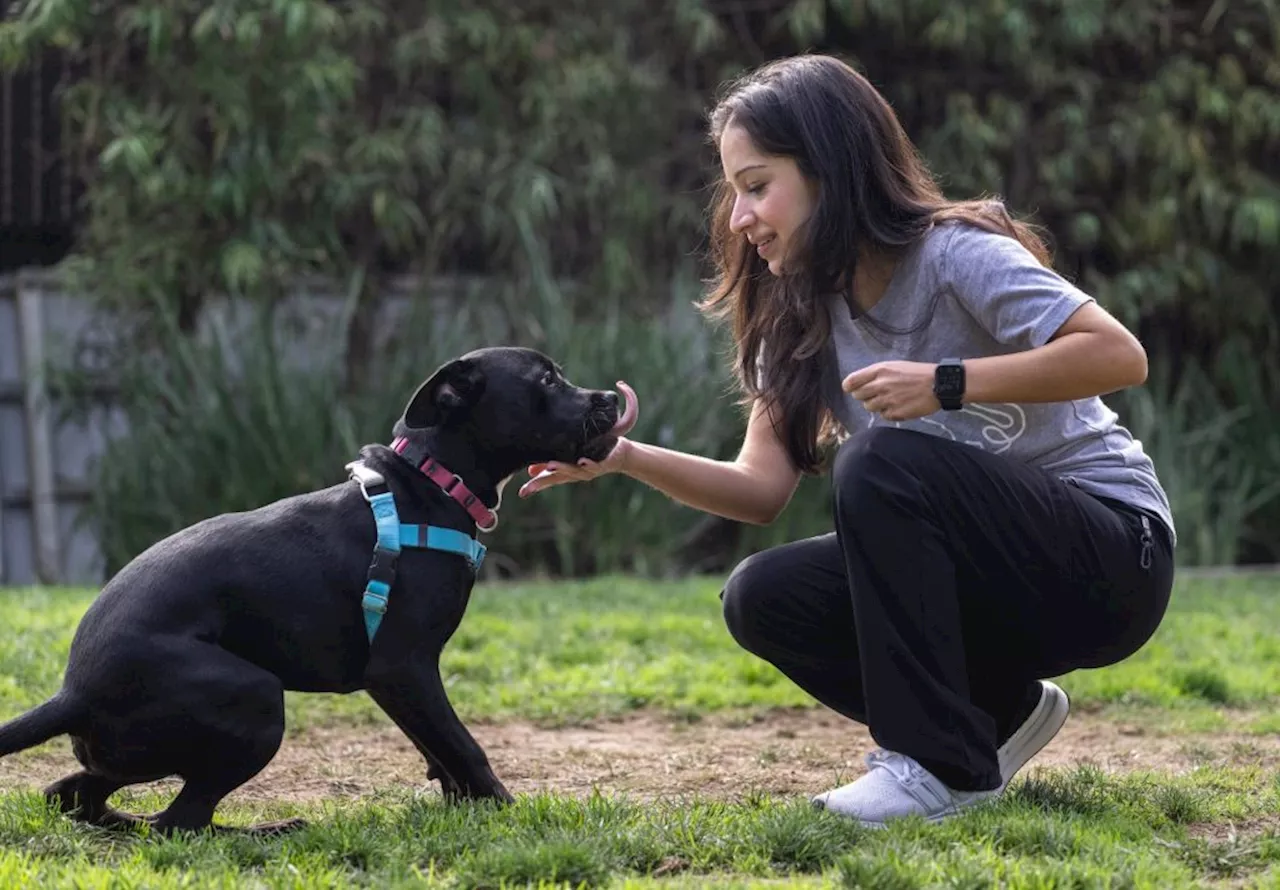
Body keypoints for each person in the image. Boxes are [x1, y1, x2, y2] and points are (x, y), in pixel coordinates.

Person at [517, 53, 1176, 828]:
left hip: (1112, 559)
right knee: (762, 597)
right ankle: (995, 716)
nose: (738, 218)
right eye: (734, 193)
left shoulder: (955, 253)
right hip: (994, 590)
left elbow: (1118, 355)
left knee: (881, 461)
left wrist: (946, 382)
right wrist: (624, 457)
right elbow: (760, 490)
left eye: (757, 187)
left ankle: (934, 769)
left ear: (828, 171)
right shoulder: (796, 315)